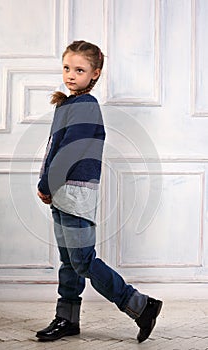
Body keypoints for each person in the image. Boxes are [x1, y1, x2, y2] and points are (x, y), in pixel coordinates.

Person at [36, 40, 162, 343]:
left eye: (79, 70)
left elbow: (70, 151)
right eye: (67, 68)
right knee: (69, 261)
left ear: (95, 73)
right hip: (62, 194)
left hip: (74, 195)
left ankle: (140, 305)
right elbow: (54, 151)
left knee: (83, 261)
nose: (71, 75)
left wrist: (44, 185)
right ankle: (67, 319)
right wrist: (48, 183)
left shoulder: (86, 105)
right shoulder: (69, 103)